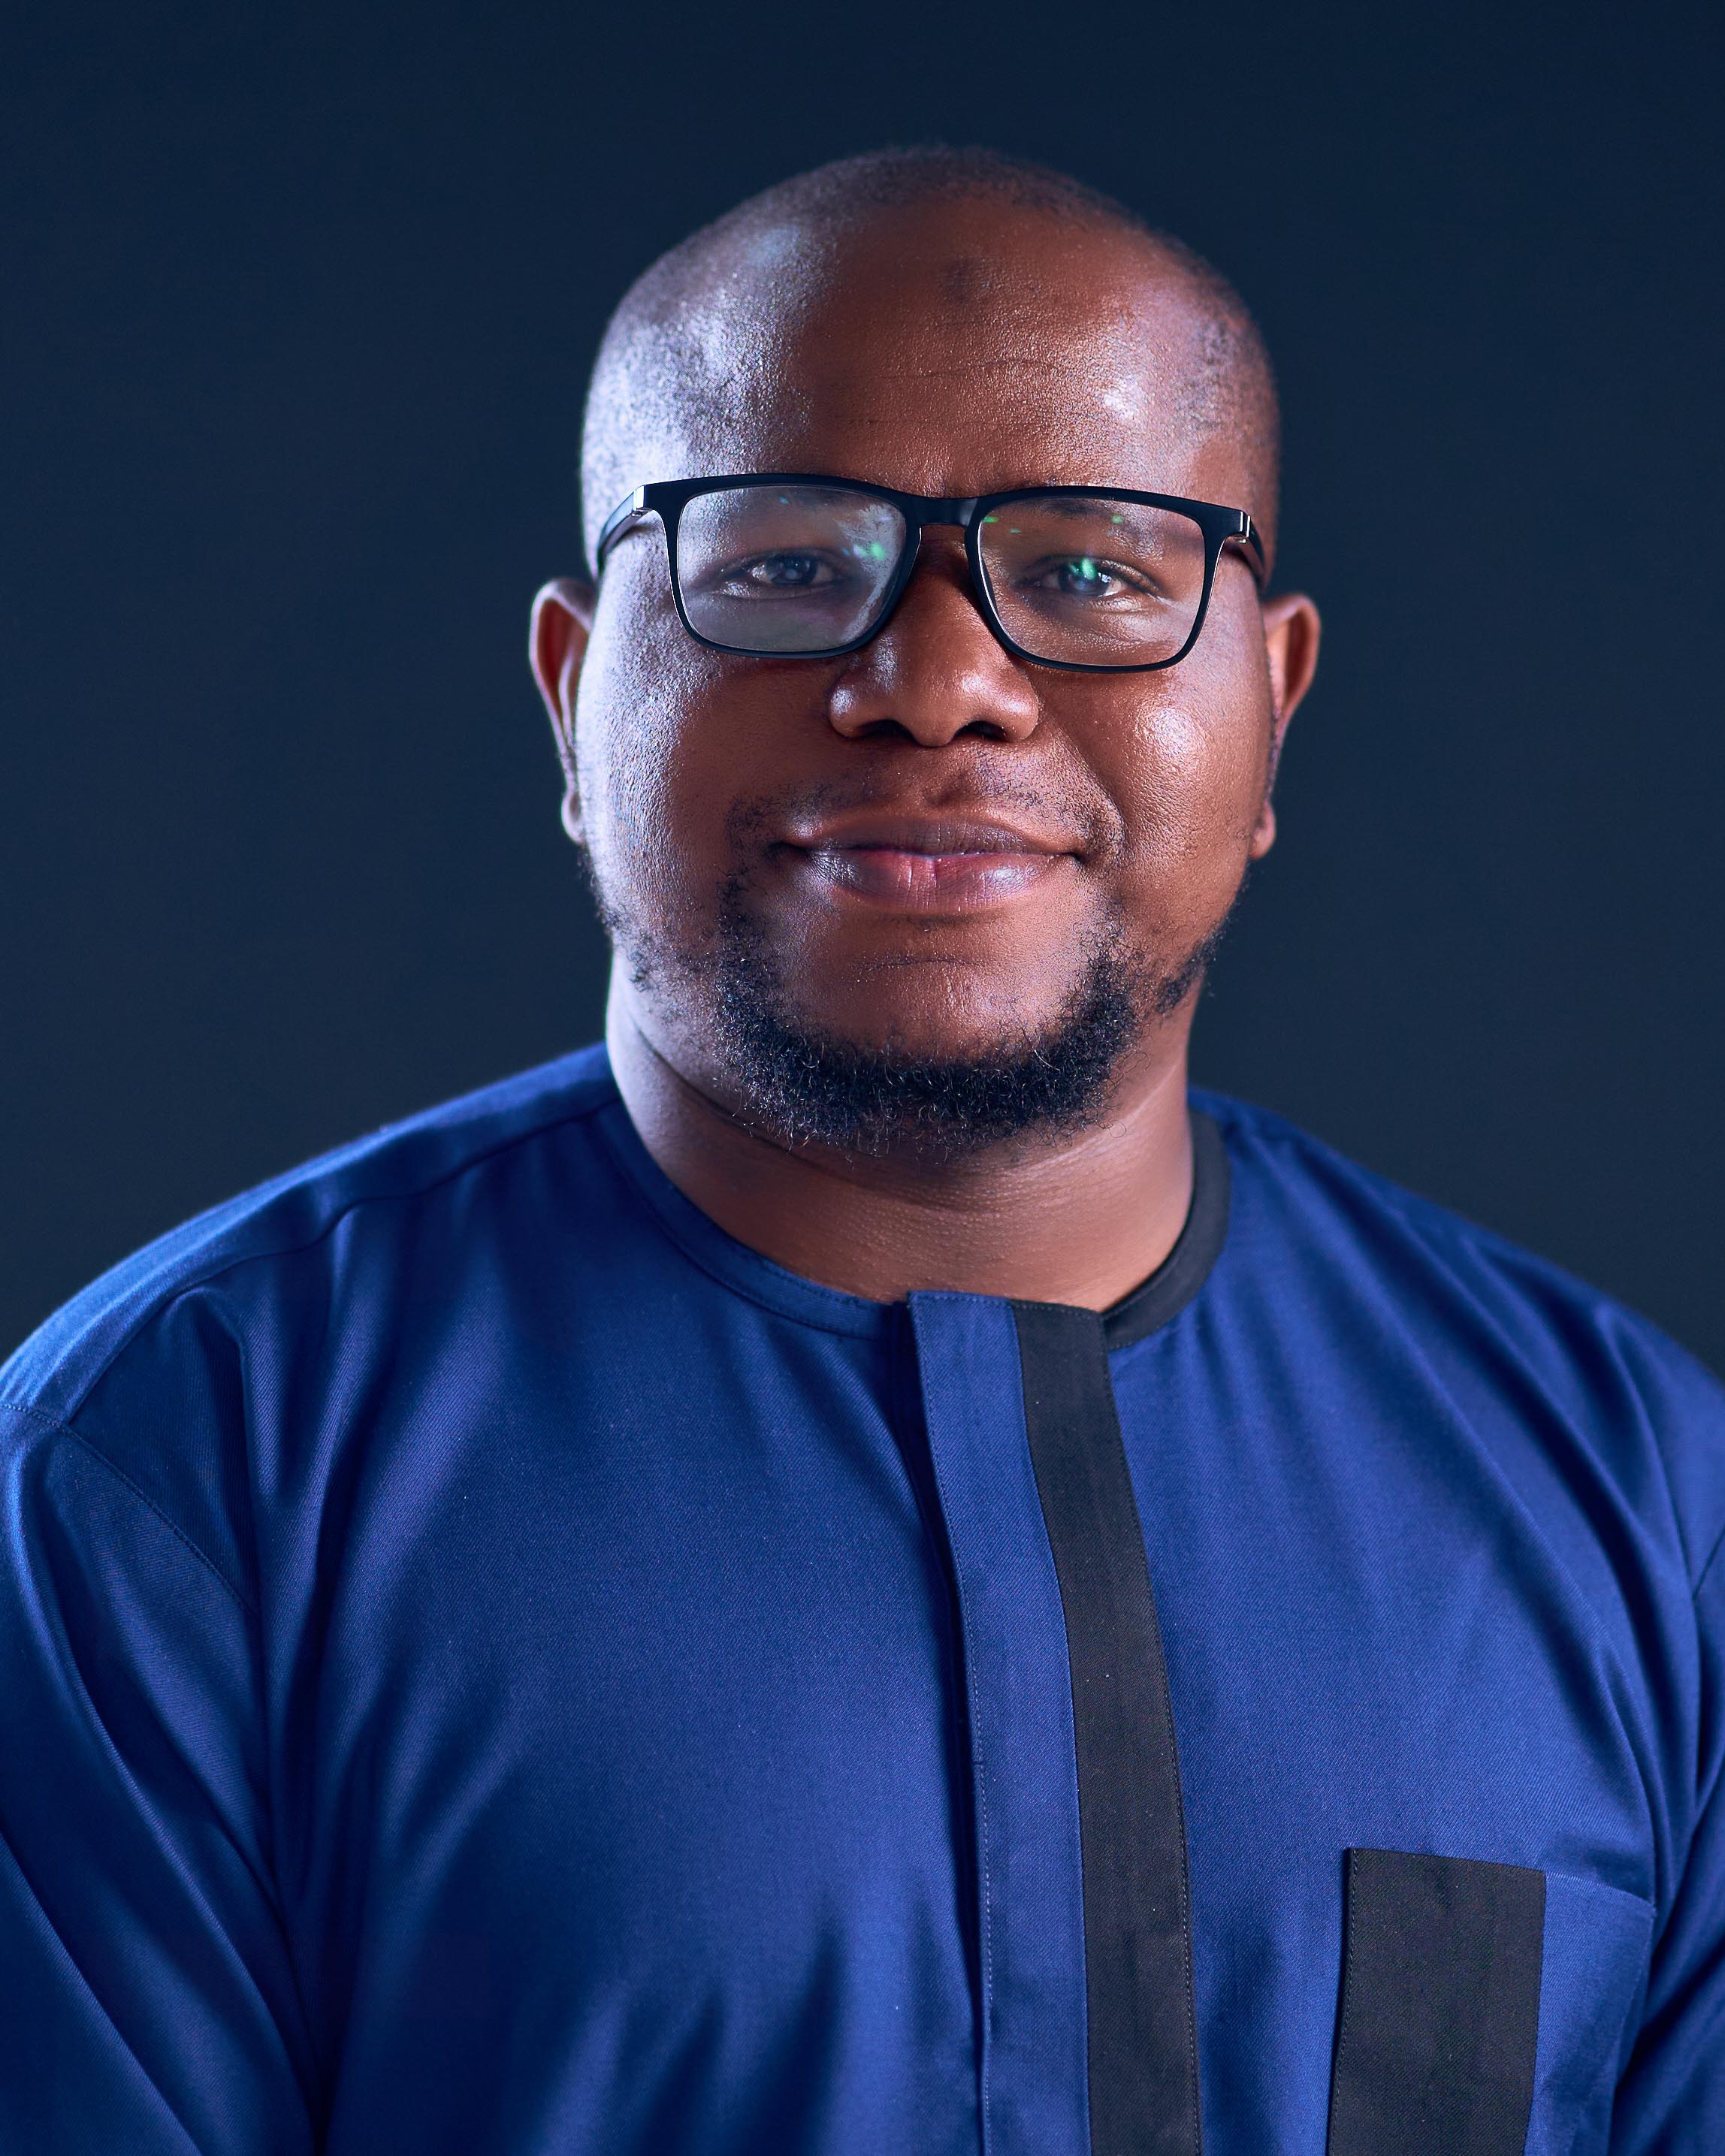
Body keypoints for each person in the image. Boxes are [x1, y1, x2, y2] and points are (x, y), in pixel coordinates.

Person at [2, 146, 1720, 2156]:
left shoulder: (1643, 1509)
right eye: (781, 564)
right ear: (575, 699)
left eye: (1093, 571)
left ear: (1270, 705)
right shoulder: (167, 1482)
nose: (938, 683)